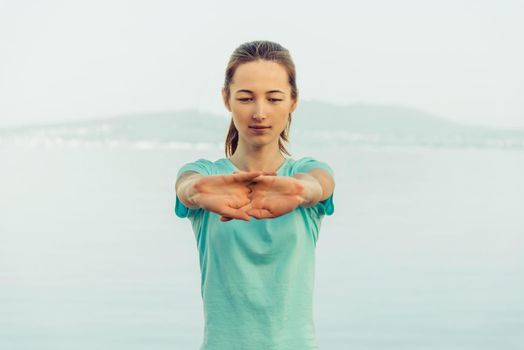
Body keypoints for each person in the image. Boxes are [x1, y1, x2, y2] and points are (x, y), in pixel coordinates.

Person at [174, 40, 335, 350]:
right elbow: (186, 186)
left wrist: (303, 191)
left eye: (274, 98)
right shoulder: (206, 175)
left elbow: (321, 184)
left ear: (293, 101)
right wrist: (194, 191)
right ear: (226, 99)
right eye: (246, 98)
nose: (260, 112)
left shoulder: (307, 172)